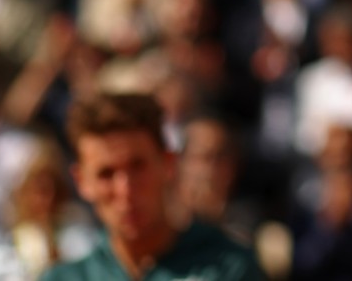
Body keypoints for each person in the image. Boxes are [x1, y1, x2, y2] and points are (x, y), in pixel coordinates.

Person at [44, 91, 263, 280]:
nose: (125, 190)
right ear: (82, 182)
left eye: (137, 167)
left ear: (168, 164)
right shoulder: (64, 278)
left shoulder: (229, 267)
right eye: (106, 174)